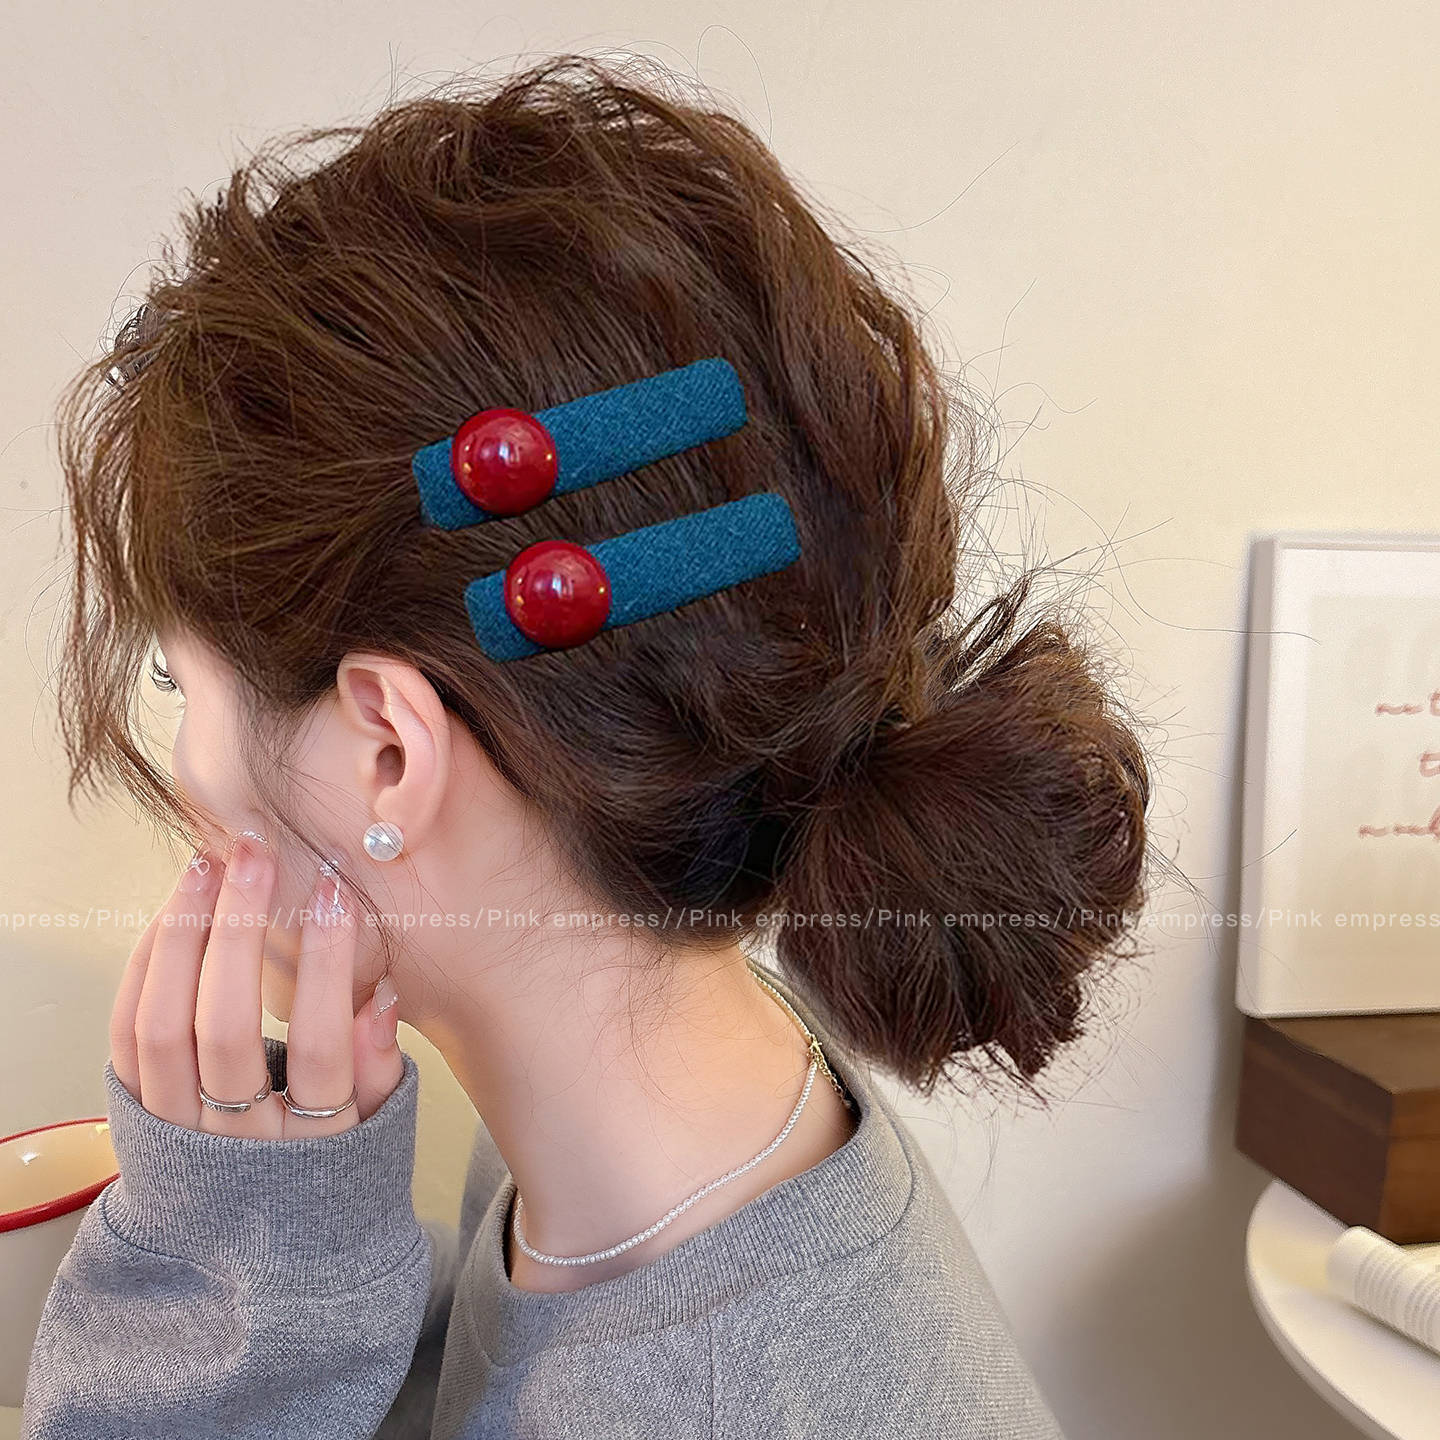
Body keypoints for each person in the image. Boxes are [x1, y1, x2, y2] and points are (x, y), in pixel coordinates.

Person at [21, 52, 1152, 1440]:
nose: (184, 770)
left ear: (388, 755)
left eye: (174, 678)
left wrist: (230, 1306)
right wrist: (295, 1265)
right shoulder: (690, 1103)